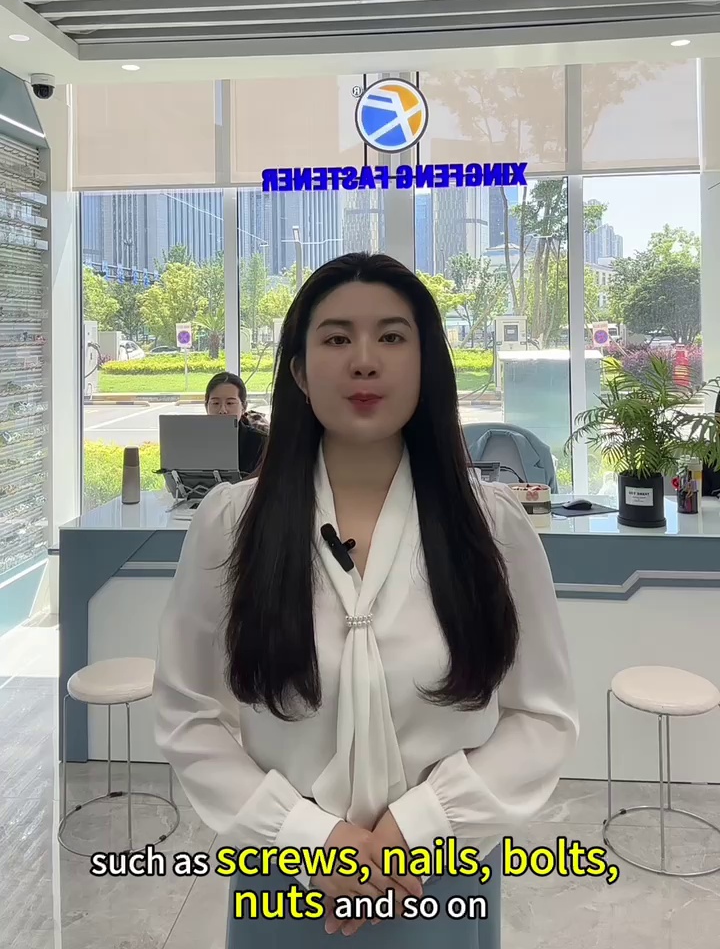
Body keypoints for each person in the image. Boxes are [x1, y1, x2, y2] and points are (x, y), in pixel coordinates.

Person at [154, 254, 578, 948]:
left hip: (439, 876)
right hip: (286, 877)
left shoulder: (492, 527)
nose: (363, 361)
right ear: (299, 371)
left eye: (391, 337)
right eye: (336, 338)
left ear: (425, 364)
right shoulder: (232, 525)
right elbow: (187, 715)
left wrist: (420, 824)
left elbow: (542, 716)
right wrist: (308, 838)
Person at [204, 371, 268, 478]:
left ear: (244, 407)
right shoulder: (193, 439)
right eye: (215, 403)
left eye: (230, 403)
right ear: (206, 406)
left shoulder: (260, 442)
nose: (222, 410)